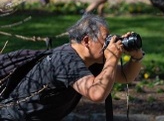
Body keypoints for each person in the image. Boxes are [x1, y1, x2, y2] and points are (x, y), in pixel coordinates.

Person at [0, 14, 144, 120]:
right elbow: (96, 93)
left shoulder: (88, 61)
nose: (108, 44)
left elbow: (125, 76)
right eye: (105, 39)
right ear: (87, 41)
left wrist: (136, 55)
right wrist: (112, 57)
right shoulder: (66, 61)